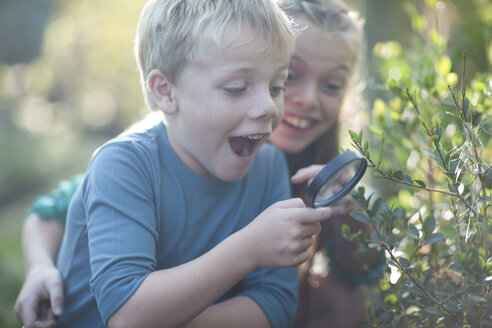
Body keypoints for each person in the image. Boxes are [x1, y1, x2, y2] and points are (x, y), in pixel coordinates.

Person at [15, 0, 384, 327]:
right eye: (238, 87)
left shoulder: (270, 163)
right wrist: (40, 269)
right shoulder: (129, 162)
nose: (273, 105)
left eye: (275, 86)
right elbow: (56, 215)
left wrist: (349, 213)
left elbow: (282, 302)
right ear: (166, 91)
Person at [272, 1, 384, 327]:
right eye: (290, 75)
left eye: (332, 85)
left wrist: (349, 210)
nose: (309, 99)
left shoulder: (334, 168)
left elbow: (362, 268)